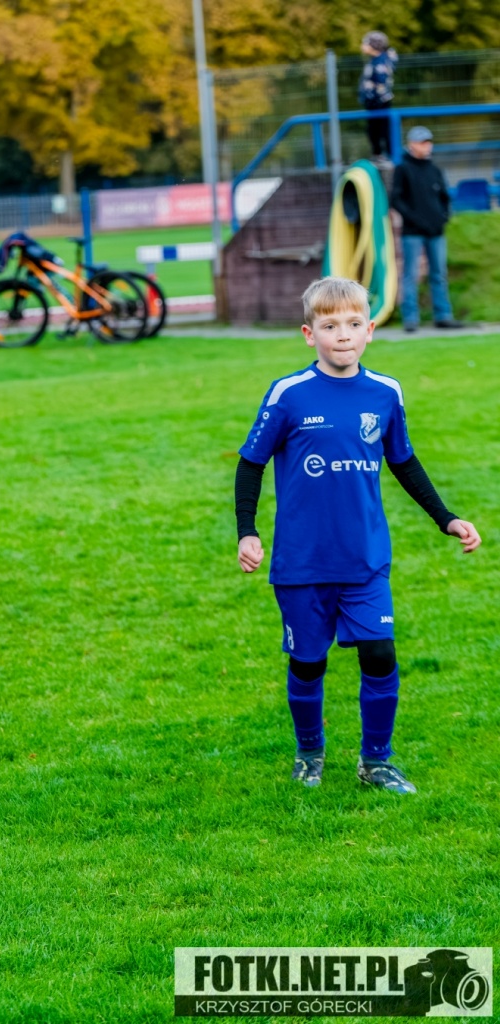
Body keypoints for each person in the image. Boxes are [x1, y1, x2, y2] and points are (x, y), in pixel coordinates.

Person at [234, 277, 480, 795]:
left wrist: (446, 518)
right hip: (302, 562)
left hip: (365, 558)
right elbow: (251, 463)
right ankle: (309, 754)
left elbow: (404, 461)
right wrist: (247, 532)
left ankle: (377, 762)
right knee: (309, 662)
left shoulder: (385, 392)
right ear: (310, 334)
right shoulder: (288, 394)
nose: (342, 335)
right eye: (329, 326)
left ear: (369, 330)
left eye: (353, 324)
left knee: (380, 654)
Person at [391, 126, 464, 332]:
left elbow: (444, 197)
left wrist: (443, 218)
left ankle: (443, 316)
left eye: (429, 142)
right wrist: (416, 220)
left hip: (436, 232)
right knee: (411, 274)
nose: (427, 146)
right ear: (411, 144)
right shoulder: (403, 169)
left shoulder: (434, 170)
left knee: (439, 274)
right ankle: (410, 319)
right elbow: (396, 199)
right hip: (413, 232)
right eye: (423, 142)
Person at [358, 32, 398, 162]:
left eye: (365, 43)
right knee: (375, 130)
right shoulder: (375, 60)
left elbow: (381, 82)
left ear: (374, 46)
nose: (362, 46)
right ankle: (381, 154)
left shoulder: (380, 62)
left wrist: (375, 97)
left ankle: (384, 155)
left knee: (380, 130)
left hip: (378, 103)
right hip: (375, 102)